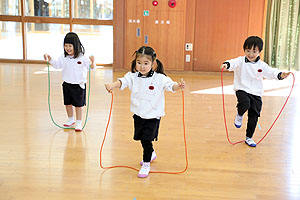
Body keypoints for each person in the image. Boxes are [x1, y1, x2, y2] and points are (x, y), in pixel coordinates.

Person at [104, 46, 185, 178]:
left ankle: (146, 163)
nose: (142, 67)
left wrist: (178, 86)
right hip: (138, 115)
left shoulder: (159, 78)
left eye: (146, 63)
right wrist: (112, 85)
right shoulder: (133, 77)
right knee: (142, 138)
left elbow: (171, 86)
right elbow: (122, 81)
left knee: (147, 139)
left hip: (153, 116)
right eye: (139, 63)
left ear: (153, 63)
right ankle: (151, 153)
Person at [220, 36, 290, 147]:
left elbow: (271, 72)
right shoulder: (240, 61)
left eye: (254, 51)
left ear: (259, 52)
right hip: (242, 88)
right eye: (248, 51)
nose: (251, 54)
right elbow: (232, 63)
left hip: (256, 93)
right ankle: (240, 114)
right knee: (245, 103)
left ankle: (249, 137)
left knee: (254, 115)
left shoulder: (262, 65)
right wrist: (227, 64)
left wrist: (281, 75)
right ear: (244, 50)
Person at [44, 32, 95, 131]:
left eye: (70, 46)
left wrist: (93, 63)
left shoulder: (82, 58)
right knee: (67, 103)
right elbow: (57, 65)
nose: (68, 48)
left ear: (76, 46)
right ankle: (71, 119)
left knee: (78, 105)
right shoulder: (63, 57)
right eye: (66, 46)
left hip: (79, 85)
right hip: (67, 84)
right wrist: (50, 59)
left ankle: (79, 122)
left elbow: (91, 68)